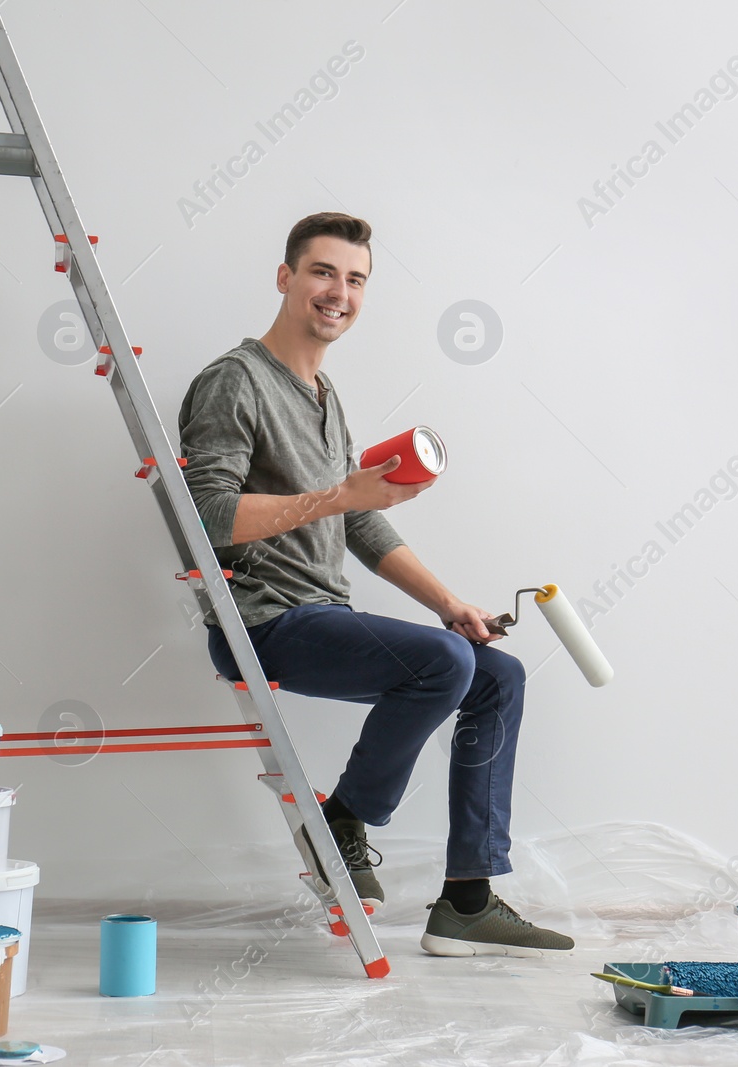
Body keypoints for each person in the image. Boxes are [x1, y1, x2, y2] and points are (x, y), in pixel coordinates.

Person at [177, 211, 574, 957]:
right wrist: (338, 496)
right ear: (285, 277)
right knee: (445, 665)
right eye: (324, 272)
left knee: (497, 674)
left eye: (355, 279)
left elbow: (360, 525)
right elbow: (209, 514)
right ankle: (342, 819)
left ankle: (467, 896)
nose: (340, 292)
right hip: (262, 621)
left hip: (324, 614)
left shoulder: (326, 396)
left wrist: (451, 604)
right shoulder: (233, 381)